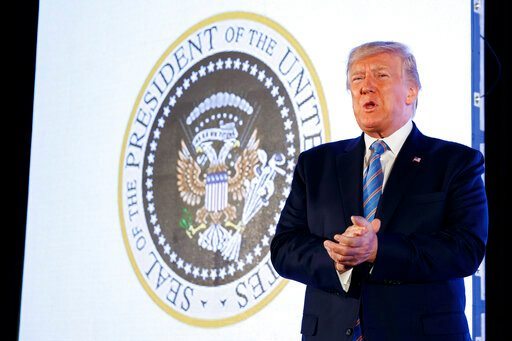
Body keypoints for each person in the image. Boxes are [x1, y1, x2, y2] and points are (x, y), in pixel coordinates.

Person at [270, 41, 488, 341]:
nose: (365, 88)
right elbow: (284, 248)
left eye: (380, 76)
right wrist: (337, 259)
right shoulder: (316, 164)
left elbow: (466, 250)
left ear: (411, 91)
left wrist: (378, 250)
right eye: (357, 79)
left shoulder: (455, 163)